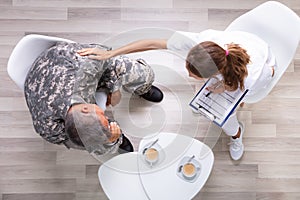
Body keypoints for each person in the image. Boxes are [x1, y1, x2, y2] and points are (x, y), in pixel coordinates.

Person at [77, 29, 276, 160]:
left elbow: (267, 77)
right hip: (235, 63)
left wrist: (227, 89)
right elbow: (152, 43)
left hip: (263, 65)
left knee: (225, 119)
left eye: (193, 74)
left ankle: (236, 134)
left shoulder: (250, 77)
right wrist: (112, 54)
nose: (187, 74)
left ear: (214, 75)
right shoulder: (199, 45)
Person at [24, 41, 163, 155]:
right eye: (103, 114)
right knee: (93, 139)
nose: (106, 112)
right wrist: (108, 139)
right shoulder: (47, 128)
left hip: (62, 60)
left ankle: (142, 87)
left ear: (85, 108)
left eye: (103, 115)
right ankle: (115, 139)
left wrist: (114, 90)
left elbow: (105, 54)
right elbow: (80, 140)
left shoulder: (85, 71)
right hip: (36, 83)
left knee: (139, 72)